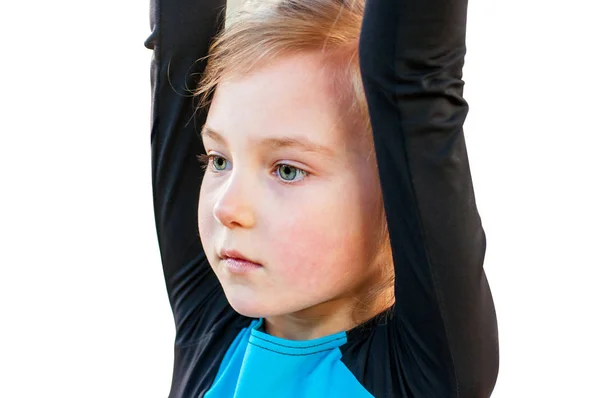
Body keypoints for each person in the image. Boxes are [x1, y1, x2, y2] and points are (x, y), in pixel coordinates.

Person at [145, 0, 499, 396]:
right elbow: (182, 35)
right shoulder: (211, 328)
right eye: (219, 160)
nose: (226, 209)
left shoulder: (422, 376)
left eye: (288, 170)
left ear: (398, 191)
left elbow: (412, 72)